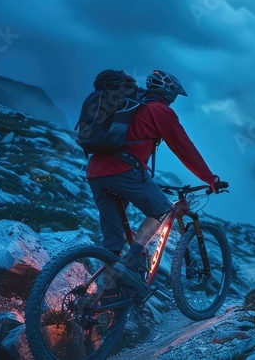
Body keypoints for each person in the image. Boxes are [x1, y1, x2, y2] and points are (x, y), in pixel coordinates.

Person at [86, 69, 219, 298]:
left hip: (96, 172)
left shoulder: (129, 105)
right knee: (162, 210)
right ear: (167, 93)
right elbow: (184, 148)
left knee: (113, 243)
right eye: (173, 95)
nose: (173, 100)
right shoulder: (161, 111)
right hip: (124, 171)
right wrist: (209, 178)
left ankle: (103, 302)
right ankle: (130, 261)